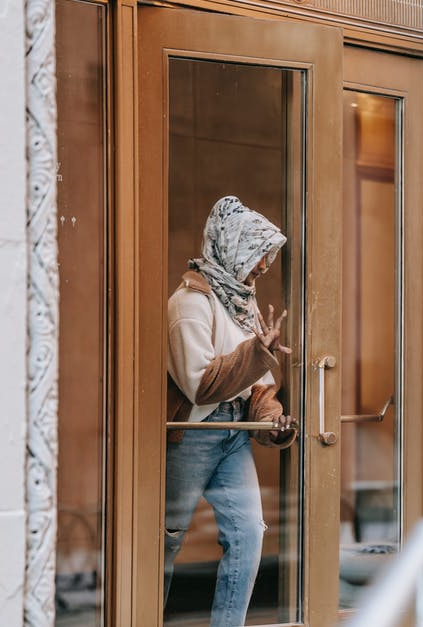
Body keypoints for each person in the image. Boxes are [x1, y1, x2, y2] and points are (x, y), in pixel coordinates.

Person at [163, 195, 297, 626]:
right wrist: (256, 355)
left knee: (248, 536)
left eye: (267, 258)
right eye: (258, 255)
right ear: (231, 246)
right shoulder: (187, 305)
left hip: (234, 435)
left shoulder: (243, 303)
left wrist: (271, 416)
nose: (263, 268)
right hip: (194, 437)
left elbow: (257, 386)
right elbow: (202, 387)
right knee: (166, 540)